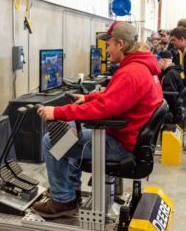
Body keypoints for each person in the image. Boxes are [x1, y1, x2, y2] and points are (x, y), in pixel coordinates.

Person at [31, 21, 163, 218]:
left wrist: (57, 113)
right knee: (71, 131)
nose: (107, 49)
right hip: (127, 139)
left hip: (120, 145)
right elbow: (114, 97)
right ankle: (70, 191)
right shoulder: (142, 67)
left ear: (120, 44)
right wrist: (87, 98)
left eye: (108, 44)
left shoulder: (131, 73)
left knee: (51, 142)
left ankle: (62, 200)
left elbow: (105, 108)